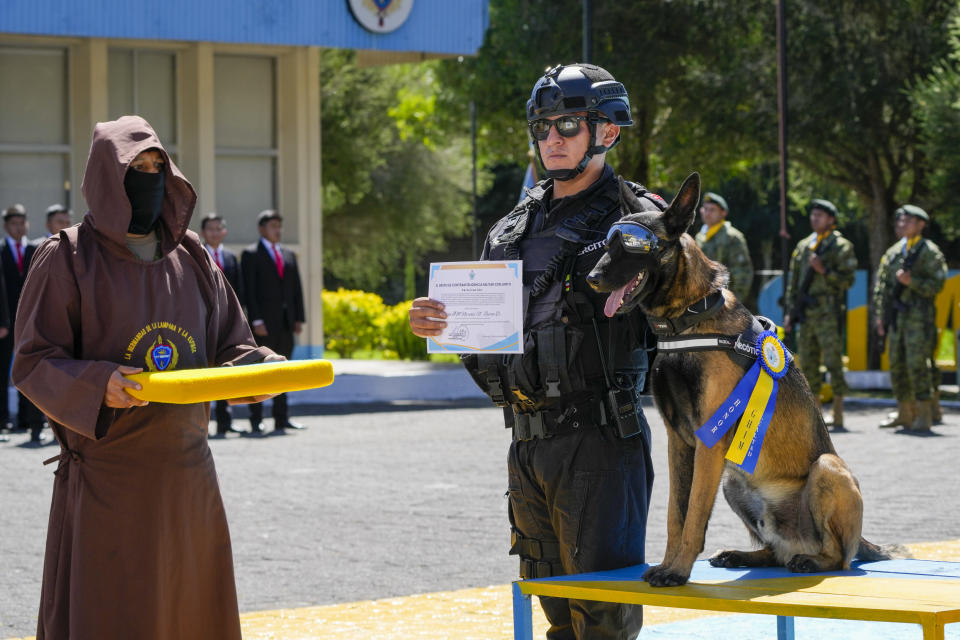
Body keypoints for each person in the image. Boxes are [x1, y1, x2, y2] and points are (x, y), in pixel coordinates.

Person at [410, 63, 661, 640]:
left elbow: (689, 321)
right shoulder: (510, 227)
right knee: (552, 612)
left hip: (601, 443)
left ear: (608, 132)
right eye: (543, 126)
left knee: (603, 618)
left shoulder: (641, 221)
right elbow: (484, 342)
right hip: (527, 443)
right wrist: (439, 323)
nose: (552, 138)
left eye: (568, 125)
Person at [12, 115, 282, 639]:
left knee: (189, 611)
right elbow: (32, 360)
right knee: (114, 613)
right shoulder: (67, 256)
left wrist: (261, 373)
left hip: (188, 478)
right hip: (109, 480)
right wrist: (97, 383)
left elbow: (233, 350)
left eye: (159, 165)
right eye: (137, 167)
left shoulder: (194, 259)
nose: (151, 175)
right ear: (105, 178)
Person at [783, 199, 857, 430]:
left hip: (828, 314)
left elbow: (848, 280)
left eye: (820, 216)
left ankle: (838, 411)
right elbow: (794, 282)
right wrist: (789, 311)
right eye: (813, 215)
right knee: (808, 363)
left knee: (834, 361)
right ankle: (814, 413)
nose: (815, 219)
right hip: (806, 314)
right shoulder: (804, 246)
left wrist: (824, 271)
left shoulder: (841, 246)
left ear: (831, 220)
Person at [873, 205, 947, 432]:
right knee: (897, 364)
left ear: (921, 224)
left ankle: (924, 414)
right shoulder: (894, 252)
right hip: (896, 318)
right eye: (900, 221)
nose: (902, 224)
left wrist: (911, 282)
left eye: (908, 221)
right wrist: (880, 317)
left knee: (918, 365)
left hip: (918, 319)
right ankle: (904, 412)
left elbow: (938, 284)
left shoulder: (929, 252)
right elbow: (882, 287)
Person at [241, 209, 306, 435]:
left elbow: (296, 288)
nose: (277, 230)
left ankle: (282, 418)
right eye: (272, 226)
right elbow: (249, 290)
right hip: (264, 323)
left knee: (283, 370)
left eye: (279, 226)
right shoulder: (251, 254)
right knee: (260, 371)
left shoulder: (288, 254)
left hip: (286, 323)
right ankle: (256, 419)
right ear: (262, 229)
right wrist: (255, 319)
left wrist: (299, 317)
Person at [1, 204, 45, 442]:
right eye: (14, 223)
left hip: (31, 320)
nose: (19, 227)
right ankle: (4, 419)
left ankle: (28, 419)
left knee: (29, 367)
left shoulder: (35, 249)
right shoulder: (1, 251)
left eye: (22, 222)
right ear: (6, 226)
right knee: (2, 371)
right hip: (5, 324)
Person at [201, 212, 245, 437]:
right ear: (203, 233)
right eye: (211, 229)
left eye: (219, 228)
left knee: (226, 368)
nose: (215, 233)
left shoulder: (230, 258)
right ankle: (204, 422)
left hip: (226, 321)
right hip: (205, 322)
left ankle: (226, 421)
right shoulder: (196, 256)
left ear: (224, 231)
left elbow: (238, 291)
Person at [694, 191, 754, 303]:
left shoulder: (732, 237)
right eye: (705, 209)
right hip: (702, 302)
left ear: (723, 213)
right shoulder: (700, 237)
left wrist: (733, 301)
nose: (707, 213)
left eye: (712, 210)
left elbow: (743, 273)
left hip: (724, 302)